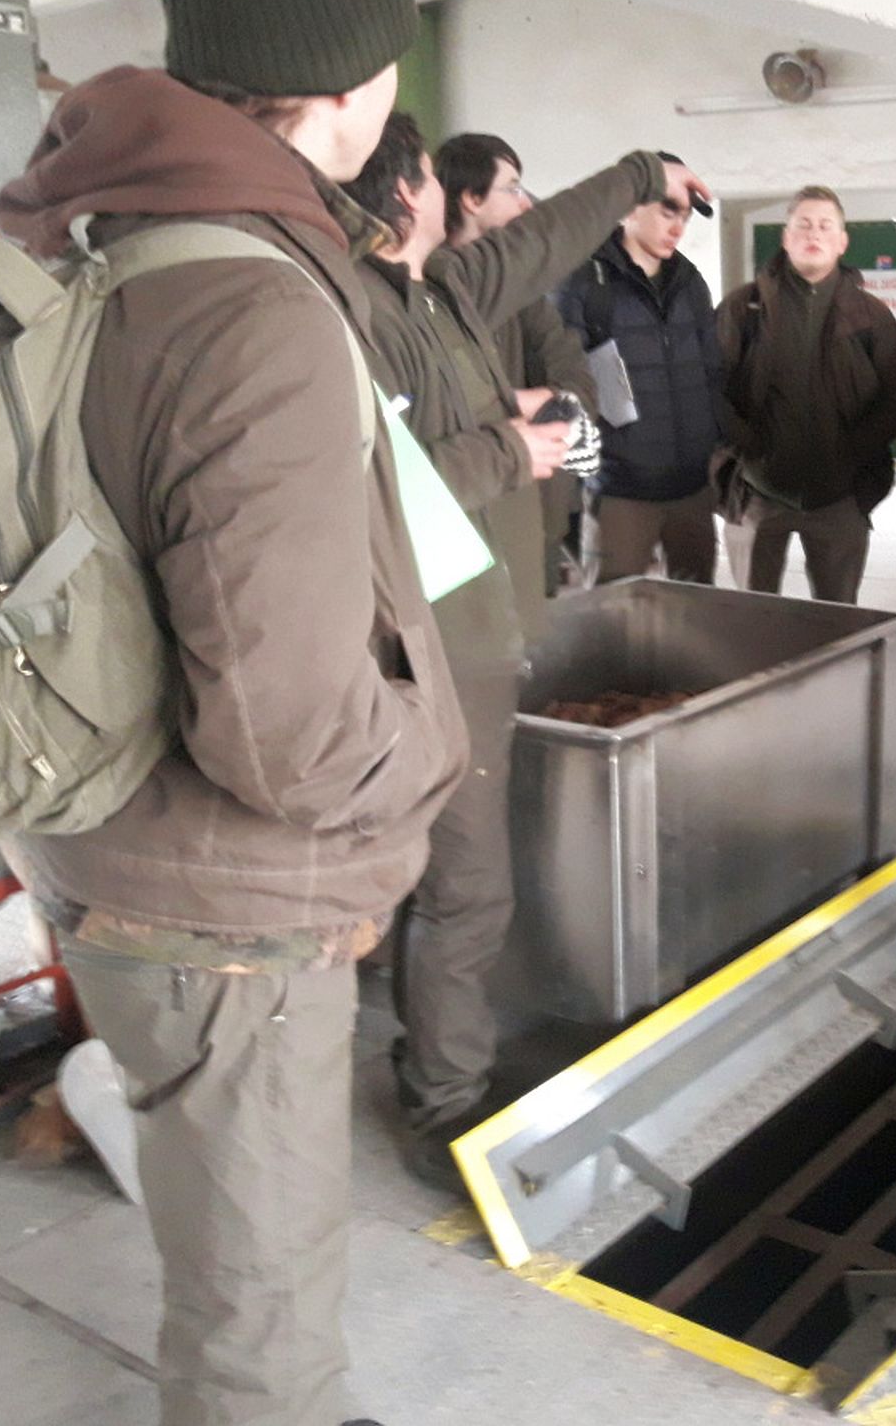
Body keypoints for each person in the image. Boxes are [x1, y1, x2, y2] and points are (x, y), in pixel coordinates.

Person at [0, 0, 465, 1421]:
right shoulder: (257, 301)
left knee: (228, 1231)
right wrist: (423, 764)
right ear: (353, 85)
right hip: (222, 906)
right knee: (258, 1307)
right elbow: (286, 733)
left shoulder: (105, 235)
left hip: (101, 837)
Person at [344, 116, 709, 1188]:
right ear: (412, 193)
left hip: (481, 625)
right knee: (467, 890)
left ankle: (435, 1058)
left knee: (453, 886)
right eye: (441, 178)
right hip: (431, 648)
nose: (516, 213)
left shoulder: (444, 290)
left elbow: (545, 239)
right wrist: (511, 446)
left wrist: (641, 172)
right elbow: (378, 489)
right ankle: (444, 1103)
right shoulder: (356, 314)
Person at [717, 185, 896, 603]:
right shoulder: (743, 309)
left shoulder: (870, 316)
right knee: (750, 619)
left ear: (842, 241)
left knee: (838, 619)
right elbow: (708, 385)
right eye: (804, 224)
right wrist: (746, 446)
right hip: (758, 493)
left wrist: (857, 449)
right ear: (786, 237)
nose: (814, 233)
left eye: (826, 226)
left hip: (840, 498)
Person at [436, 131, 598, 611]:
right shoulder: (420, 293)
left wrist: (527, 404)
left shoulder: (523, 294)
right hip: (456, 525)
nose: (526, 204)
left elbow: (578, 387)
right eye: (512, 188)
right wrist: (518, 403)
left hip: (530, 514)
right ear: (471, 199)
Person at [556, 165, 722, 585]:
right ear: (630, 207)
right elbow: (564, 384)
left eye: (685, 216)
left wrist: (714, 452)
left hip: (692, 491)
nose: (678, 226)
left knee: (698, 610)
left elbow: (712, 374)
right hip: (620, 493)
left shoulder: (690, 283)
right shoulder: (584, 283)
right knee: (612, 613)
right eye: (669, 211)